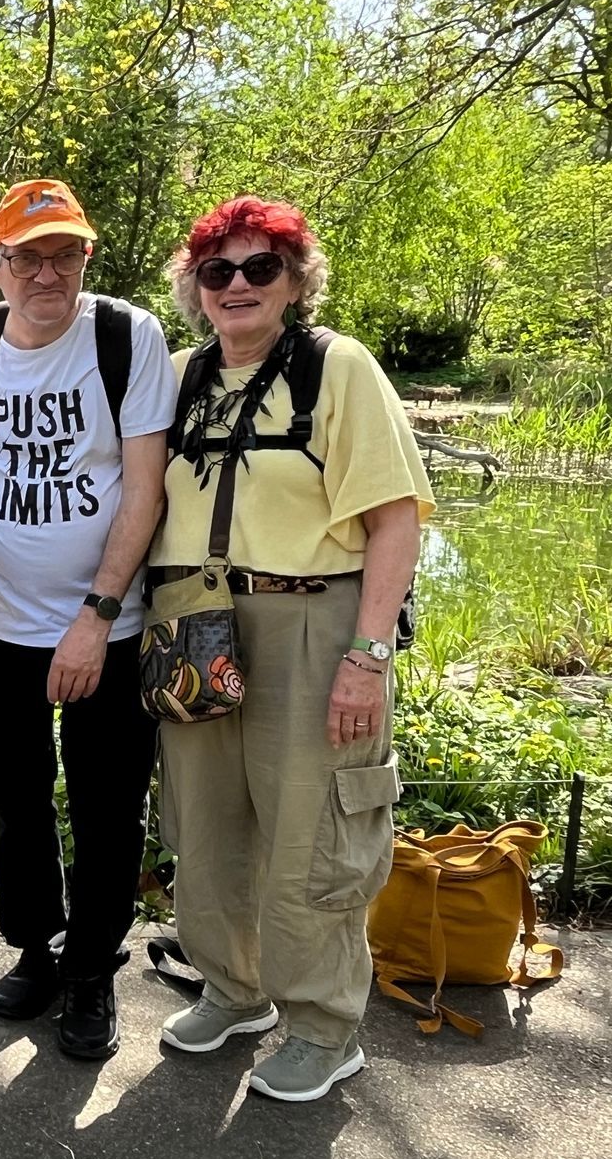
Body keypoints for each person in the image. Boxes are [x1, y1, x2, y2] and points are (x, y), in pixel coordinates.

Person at [152, 195, 431, 1102]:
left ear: (295, 279)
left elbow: (394, 521)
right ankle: (234, 991)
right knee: (207, 824)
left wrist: (368, 655)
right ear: (194, 287)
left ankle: (321, 1022)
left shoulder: (338, 369)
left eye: (259, 267)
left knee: (313, 831)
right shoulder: (179, 376)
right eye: (217, 270)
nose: (236, 285)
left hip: (311, 621)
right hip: (196, 621)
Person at [0, 179, 177, 1061]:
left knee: (108, 804)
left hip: (113, 622)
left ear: (86, 258)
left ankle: (95, 970)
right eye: (26, 257)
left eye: (64, 253)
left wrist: (97, 615)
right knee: (19, 802)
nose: (46, 273)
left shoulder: (125, 336)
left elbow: (145, 487)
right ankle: (38, 946)